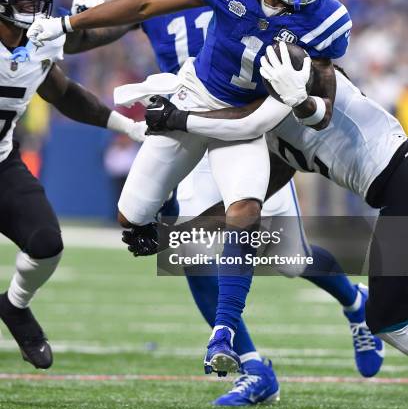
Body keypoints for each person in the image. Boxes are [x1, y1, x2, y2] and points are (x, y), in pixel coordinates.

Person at [27, 0, 365, 381]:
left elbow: (317, 111)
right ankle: (253, 350)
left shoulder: (327, 22)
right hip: (189, 96)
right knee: (143, 223)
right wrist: (65, 24)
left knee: (275, 244)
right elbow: (140, 8)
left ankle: (242, 348)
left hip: (249, 117)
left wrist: (303, 101)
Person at [144, 56, 408, 356]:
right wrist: (171, 236)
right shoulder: (276, 137)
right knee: (388, 314)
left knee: (387, 318)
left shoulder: (300, 72)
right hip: (396, 192)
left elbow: (260, 109)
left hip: (402, 181)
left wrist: (177, 117)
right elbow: (240, 210)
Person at [0, 0, 143, 369]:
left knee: (46, 243)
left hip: (2, 163)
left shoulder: (38, 38)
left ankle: (15, 306)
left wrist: (129, 126)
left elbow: (65, 92)